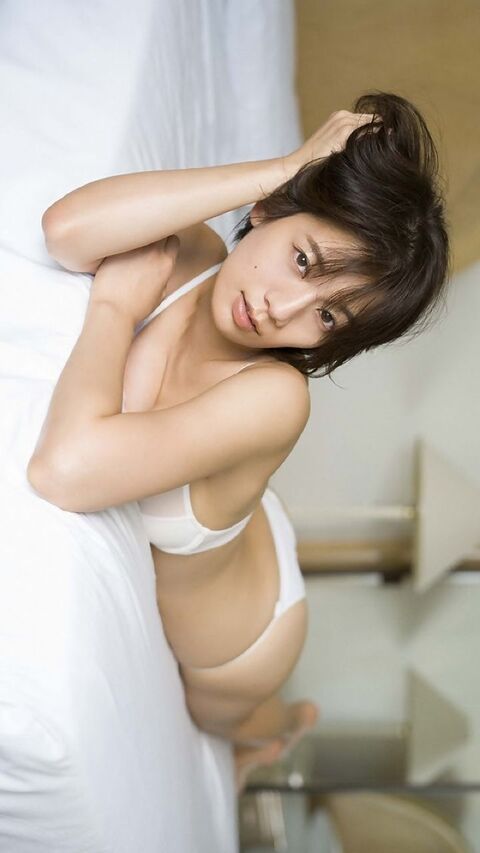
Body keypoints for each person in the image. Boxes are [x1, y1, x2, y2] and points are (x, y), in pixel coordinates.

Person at [27, 92, 449, 791]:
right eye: (304, 260)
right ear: (269, 210)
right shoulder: (200, 258)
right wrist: (286, 166)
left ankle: (283, 731)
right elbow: (66, 229)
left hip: (245, 643)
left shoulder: (278, 397)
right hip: (245, 522)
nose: (281, 308)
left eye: (329, 317)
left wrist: (114, 307)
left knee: (231, 722)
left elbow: (64, 471)